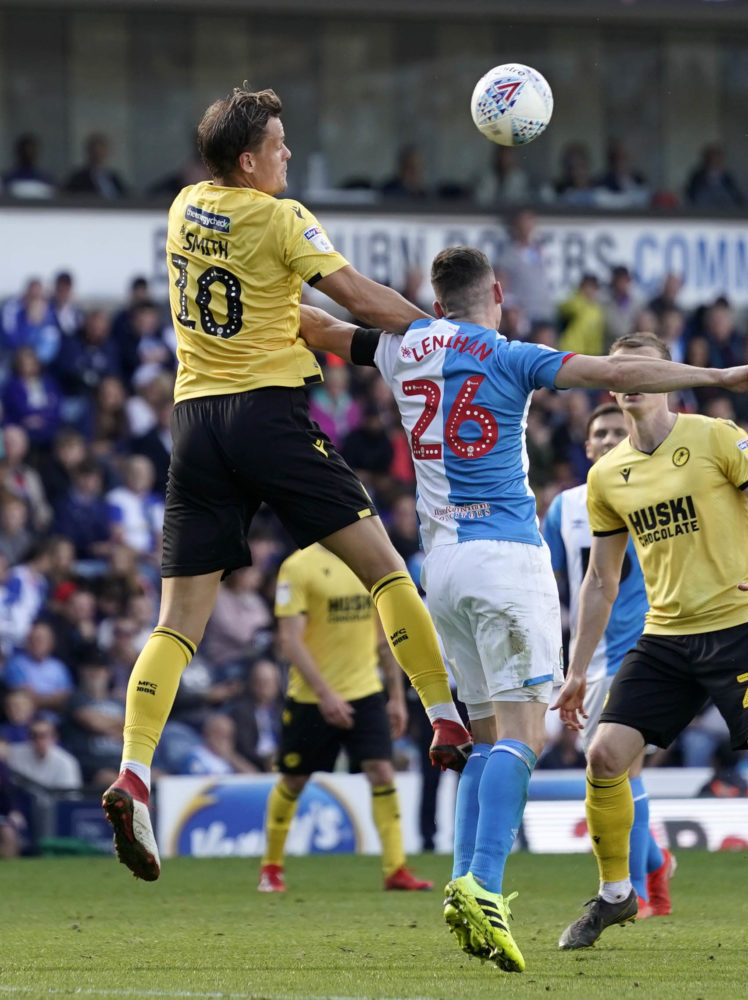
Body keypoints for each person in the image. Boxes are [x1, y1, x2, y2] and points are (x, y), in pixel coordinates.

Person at [298, 245, 748, 972]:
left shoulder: (401, 348)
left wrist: (233, 296)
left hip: (440, 565)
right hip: (505, 558)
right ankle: (484, 887)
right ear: (497, 292)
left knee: (485, 737)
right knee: (525, 736)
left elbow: (318, 326)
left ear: (436, 303)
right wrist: (716, 377)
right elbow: (617, 373)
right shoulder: (512, 355)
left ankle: (464, 881)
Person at [100, 86, 471, 884]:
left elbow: (293, 316)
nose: (288, 154)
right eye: (278, 144)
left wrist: (364, 345)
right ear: (248, 160)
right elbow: (356, 298)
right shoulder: (282, 217)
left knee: (175, 625)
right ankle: (445, 716)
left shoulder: (185, 207)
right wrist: (446, 333)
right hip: (268, 417)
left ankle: (133, 772)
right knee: (385, 570)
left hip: (195, 425)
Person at [552, 331, 748, 955]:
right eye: (619, 371)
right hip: (665, 637)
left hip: (737, 626)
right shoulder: (607, 475)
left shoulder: (716, 437)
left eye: (642, 369)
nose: (629, 381)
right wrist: (576, 670)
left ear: (668, 378)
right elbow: (600, 580)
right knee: (603, 756)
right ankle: (616, 894)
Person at [541, 402, 673, 918]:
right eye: (601, 433)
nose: (610, 438)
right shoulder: (565, 507)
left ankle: (634, 889)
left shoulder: (657, 492)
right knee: (608, 775)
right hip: (587, 655)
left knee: (622, 769)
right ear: (588, 445)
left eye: (619, 430)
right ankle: (657, 864)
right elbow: (550, 581)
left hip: (641, 647)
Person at [258, 543, 432, 893]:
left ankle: (395, 868)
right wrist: (325, 695)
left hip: (365, 690)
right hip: (311, 697)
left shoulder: (365, 557)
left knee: (382, 771)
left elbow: (384, 637)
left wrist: (396, 696)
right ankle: (271, 868)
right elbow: (290, 640)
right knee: (294, 779)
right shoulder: (298, 566)